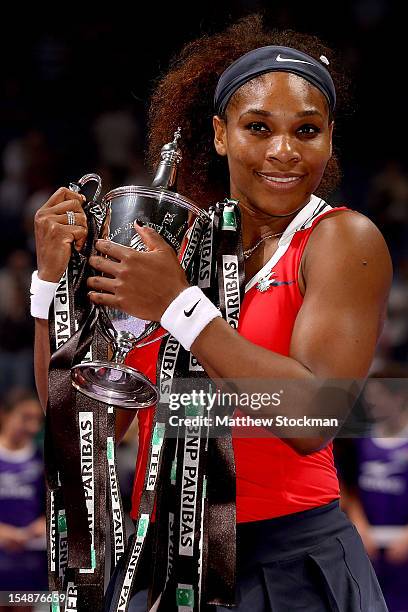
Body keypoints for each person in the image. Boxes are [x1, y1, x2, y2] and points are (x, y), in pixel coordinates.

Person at [32, 14, 392, 612]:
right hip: (175, 566)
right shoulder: (173, 250)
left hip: (295, 564)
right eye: (258, 127)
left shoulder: (341, 240)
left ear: (329, 139)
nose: (284, 150)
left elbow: (313, 417)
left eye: (307, 129)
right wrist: (51, 287)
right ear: (221, 135)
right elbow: (84, 431)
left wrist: (177, 305)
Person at [341, 373, 408, 612]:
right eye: (368, 398)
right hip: (367, 546)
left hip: (402, 550)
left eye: (377, 397)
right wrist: (359, 523)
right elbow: (347, 489)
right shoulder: (358, 441)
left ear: (398, 397)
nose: (370, 403)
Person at [0, 389, 47, 612]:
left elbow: (53, 506)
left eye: (37, 420)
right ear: (5, 415)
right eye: (25, 418)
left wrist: (44, 523)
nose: (33, 427)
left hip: (30, 558)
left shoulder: (41, 459)